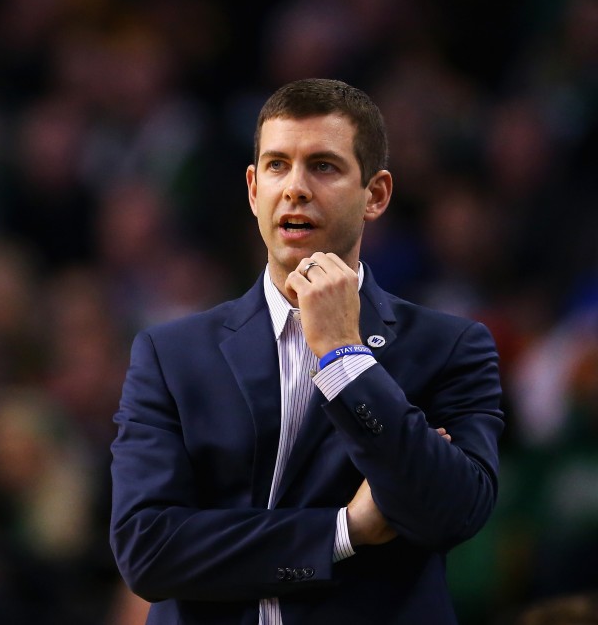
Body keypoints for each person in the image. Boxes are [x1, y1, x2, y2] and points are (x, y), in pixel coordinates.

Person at [109, 78, 504, 624]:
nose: (295, 187)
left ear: (377, 194)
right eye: (276, 165)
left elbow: (453, 512)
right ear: (252, 190)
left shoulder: (450, 347)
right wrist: (343, 531)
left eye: (323, 166)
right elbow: (148, 551)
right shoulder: (170, 354)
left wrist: (346, 358)